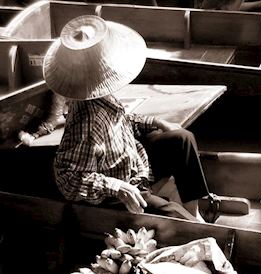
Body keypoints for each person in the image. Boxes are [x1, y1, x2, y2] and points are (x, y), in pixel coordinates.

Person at [45, 15, 219, 222]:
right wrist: (118, 187)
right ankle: (188, 219)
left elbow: (124, 119)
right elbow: (68, 178)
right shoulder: (85, 121)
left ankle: (194, 213)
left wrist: (158, 122)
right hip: (120, 187)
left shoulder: (102, 94)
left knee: (182, 139)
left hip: (135, 162)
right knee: (172, 213)